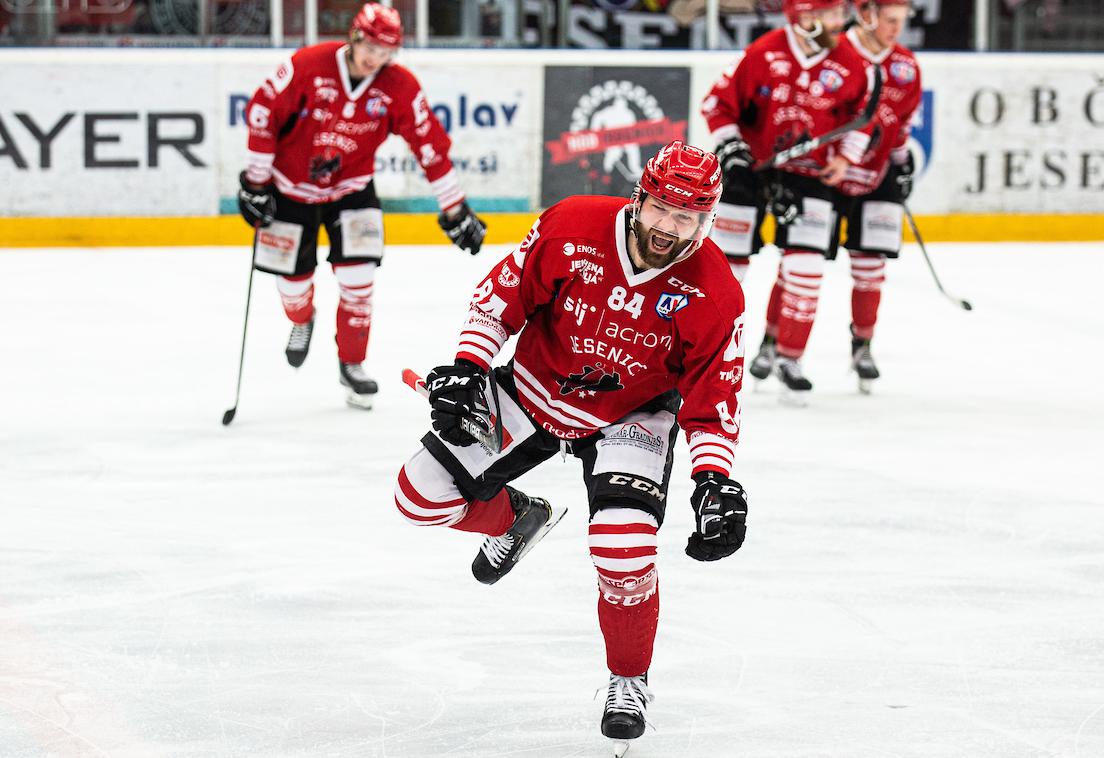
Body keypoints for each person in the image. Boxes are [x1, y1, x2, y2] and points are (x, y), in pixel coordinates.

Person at [391, 141, 749, 750]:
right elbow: (499, 302)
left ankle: (627, 679)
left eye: (686, 217)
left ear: (708, 220)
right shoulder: (571, 224)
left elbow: (713, 406)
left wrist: (715, 481)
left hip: (629, 416)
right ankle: (518, 518)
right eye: (661, 208)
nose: (668, 227)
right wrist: (466, 367)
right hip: (533, 388)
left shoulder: (716, 293)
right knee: (418, 497)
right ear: (639, 197)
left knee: (623, 548)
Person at [236, 2, 487, 409]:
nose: (377, 59)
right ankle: (302, 320)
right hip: (289, 191)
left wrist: (454, 207)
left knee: (359, 282)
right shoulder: (307, 65)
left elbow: (430, 146)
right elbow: (263, 113)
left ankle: (352, 364)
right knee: (292, 286)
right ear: (354, 37)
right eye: (371, 47)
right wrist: (256, 181)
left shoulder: (399, 87)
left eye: (387, 52)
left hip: (353, 191)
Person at [701, 0, 876, 400]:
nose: (841, 21)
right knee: (726, 268)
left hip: (810, 177)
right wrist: (731, 148)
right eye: (831, 14)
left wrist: (846, 158)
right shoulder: (764, 52)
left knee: (807, 265)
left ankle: (789, 356)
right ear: (805, 17)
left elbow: (862, 117)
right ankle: (706, 356)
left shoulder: (849, 62)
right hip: (751, 171)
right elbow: (716, 104)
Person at [829, 0, 923, 392]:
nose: (896, 29)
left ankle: (862, 345)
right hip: (827, 172)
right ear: (866, 15)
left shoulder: (905, 65)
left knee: (870, 267)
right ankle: (778, 345)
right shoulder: (836, 53)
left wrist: (902, 164)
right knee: (801, 262)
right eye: (890, 20)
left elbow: (901, 124)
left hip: (878, 172)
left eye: (902, 21)